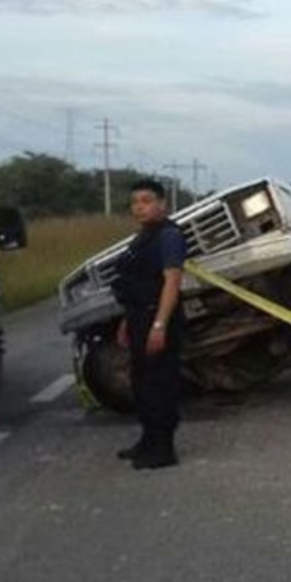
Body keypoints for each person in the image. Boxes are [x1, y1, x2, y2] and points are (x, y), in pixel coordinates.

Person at [111, 179, 187, 470]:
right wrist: (126, 322)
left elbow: (172, 281)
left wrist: (159, 326)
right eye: (135, 202)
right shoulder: (144, 236)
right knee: (142, 383)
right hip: (138, 315)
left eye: (146, 200)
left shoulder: (168, 236)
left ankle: (163, 449)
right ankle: (147, 440)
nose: (139, 207)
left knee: (160, 385)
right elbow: (135, 282)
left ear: (162, 203)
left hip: (158, 316)